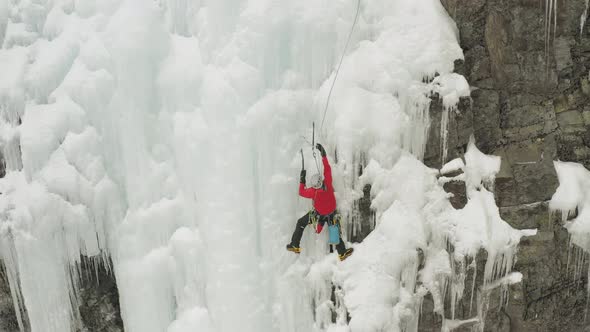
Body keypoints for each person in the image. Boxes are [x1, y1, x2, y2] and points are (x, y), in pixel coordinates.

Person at [286, 143, 354, 261]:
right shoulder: (327, 182)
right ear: (321, 181)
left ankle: (295, 245)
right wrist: (323, 154)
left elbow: (301, 192)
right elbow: (327, 168)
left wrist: (302, 178)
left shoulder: (313, 192)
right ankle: (342, 252)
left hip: (318, 215)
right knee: (334, 230)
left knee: (301, 223)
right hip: (331, 213)